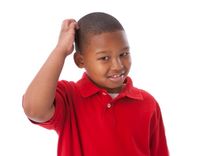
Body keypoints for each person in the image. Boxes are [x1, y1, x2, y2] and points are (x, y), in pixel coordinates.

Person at [23, 12, 169, 156]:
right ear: (80, 61)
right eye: (105, 58)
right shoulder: (69, 97)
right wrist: (60, 50)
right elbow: (34, 110)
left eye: (124, 54)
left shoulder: (148, 103)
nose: (118, 66)